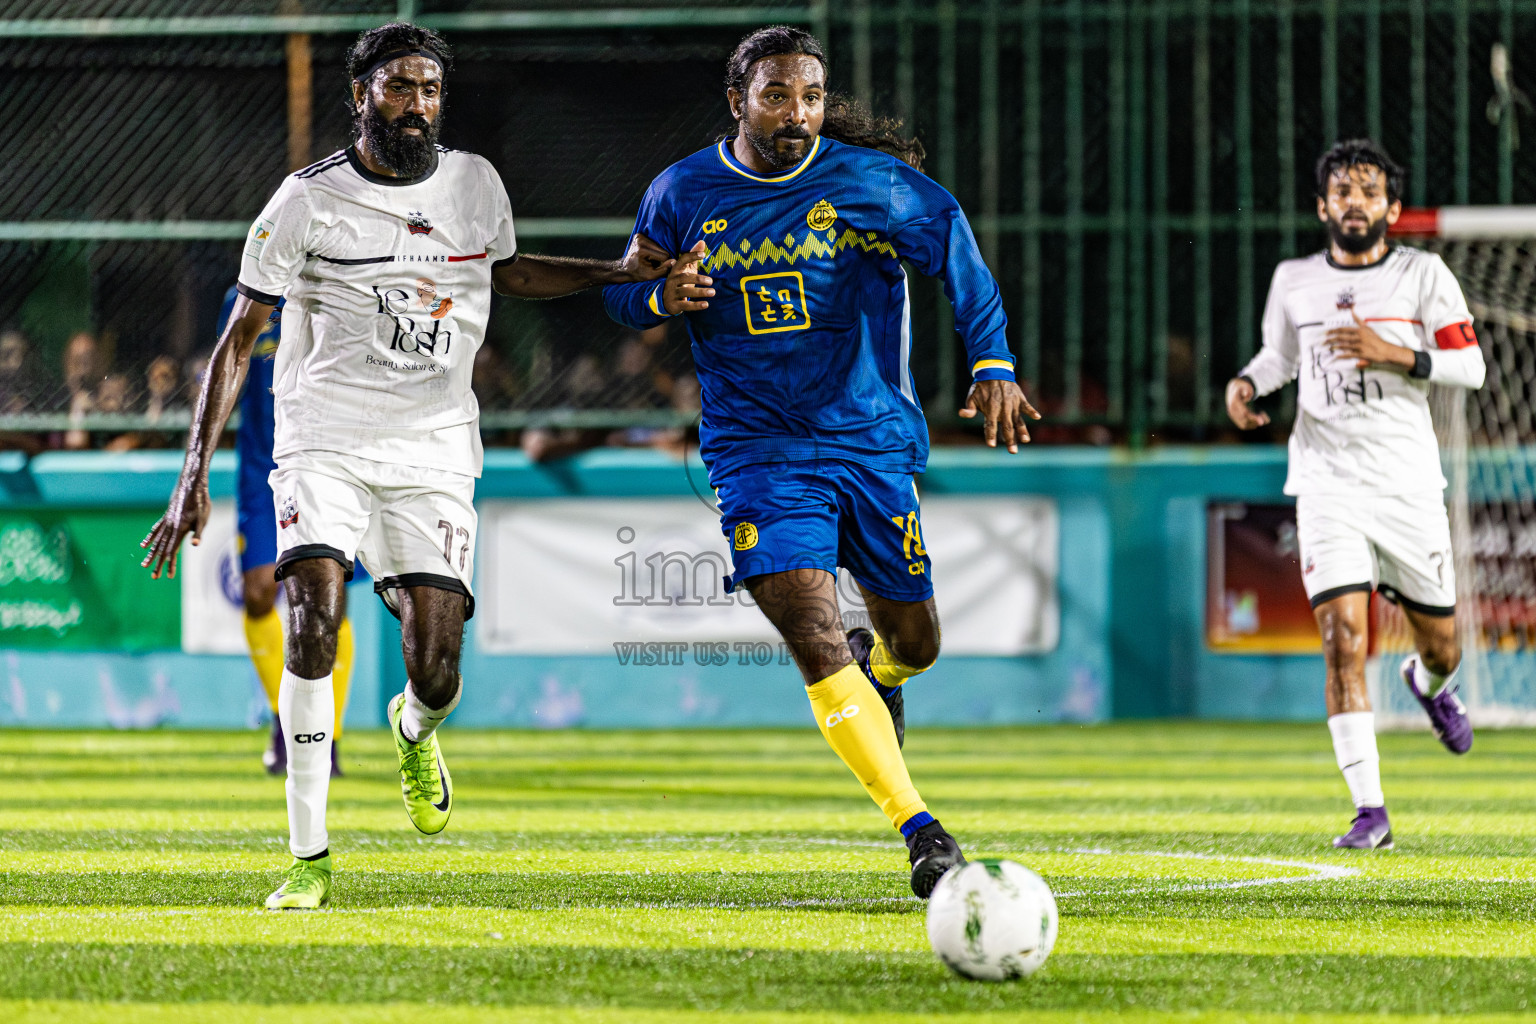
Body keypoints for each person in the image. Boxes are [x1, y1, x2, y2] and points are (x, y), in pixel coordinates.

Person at [141, 21, 664, 910]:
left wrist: (614, 271)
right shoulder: (305, 202)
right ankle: (308, 857)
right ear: (361, 97)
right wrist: (192, 475)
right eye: (397, 87)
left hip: (431, 447)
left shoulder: (476, 185)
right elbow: (239, 338)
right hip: (323, 439)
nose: (415, 103)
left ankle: (415, 731)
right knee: (314, 612)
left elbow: (507, 274)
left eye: (428, 88)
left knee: (437, 669)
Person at [603, 26, 1039, 898]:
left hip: (870, 441)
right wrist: (657, 295)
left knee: (916, 641)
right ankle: (922, 831)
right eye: (776, 96)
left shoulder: (871, 185)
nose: (796, 113)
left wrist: (993, 363)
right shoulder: (682, 191)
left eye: (809, 96)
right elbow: (624, 288)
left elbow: (959, 254)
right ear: (738, 101)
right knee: (809, 632)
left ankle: (883, 674)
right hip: (755, 451)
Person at [1226, 139, 1487, 850]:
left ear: (1392, 209)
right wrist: (1249, 385)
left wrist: (1394, 352)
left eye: (1368, 190)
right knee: (1343, 640)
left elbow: (1471, 366)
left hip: (1406, 486)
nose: (1354, 201)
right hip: (1326, 483)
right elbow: (1279, 356)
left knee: (1443, 644)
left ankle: (1429, 685)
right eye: (1342, 190)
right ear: (1322, 206)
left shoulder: (1423, 275)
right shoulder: (1295, 280)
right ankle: (1370, 811)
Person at [215, 285, 353, 778]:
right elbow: (228, 363)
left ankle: (326, 738)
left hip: (324, 461)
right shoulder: (245, 294)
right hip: (260, 464)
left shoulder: (339, 284)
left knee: (328, 606)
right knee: (258, 595)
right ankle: (285, 717)